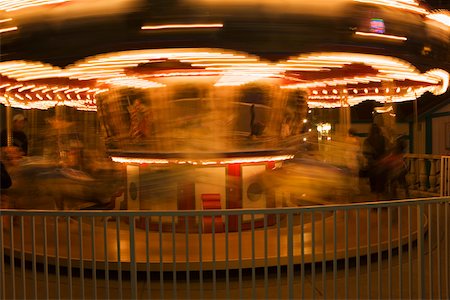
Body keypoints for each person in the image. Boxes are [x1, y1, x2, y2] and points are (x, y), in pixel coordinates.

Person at [363, 123, 388, 199]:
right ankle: (381, 201)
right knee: (381, 185)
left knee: (373, 185)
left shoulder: (367, 140)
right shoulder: (383, 139)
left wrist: (372, 161)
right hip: (382, 165)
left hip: (372, 166)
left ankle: (375, 201)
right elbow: (387, 150)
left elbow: (365, 153)